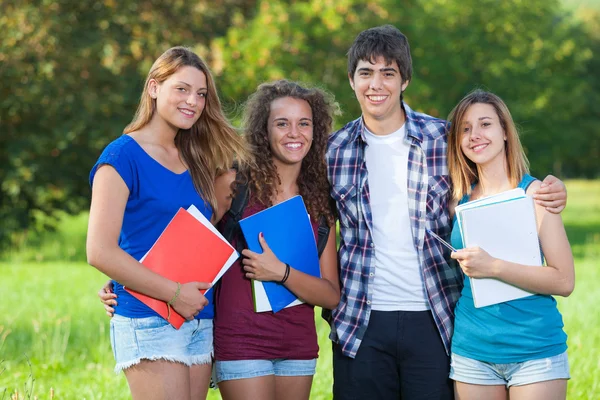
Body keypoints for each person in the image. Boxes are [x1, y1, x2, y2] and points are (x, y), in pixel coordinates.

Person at [326, 25, 568, 400]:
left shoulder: (446, 138)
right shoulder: (333, 151)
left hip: (437, 316)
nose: (377, 84)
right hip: (361, 320)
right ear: (352, 79)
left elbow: (500, 181)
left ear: (404, 80)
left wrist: (548, 188)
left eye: (388, 73)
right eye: (366, 73)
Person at [99, 80, 341, 400]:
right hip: (241, 341)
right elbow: (183, 243)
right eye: (281, 123)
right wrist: (122, 280)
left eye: (304, 123)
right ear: (263, 131)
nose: (294, 133)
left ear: (317, 130)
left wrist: (280, 272)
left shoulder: (320, 202)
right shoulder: (234, 185)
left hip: (298, 346)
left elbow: (330, 294)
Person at [87, 46, 251, 400]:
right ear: (153, 88)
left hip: (197, 319)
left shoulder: (199, 159)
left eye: (201, 94)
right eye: (182, 89)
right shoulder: (120, 157)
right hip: (149, 317)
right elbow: (99, 250)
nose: (193, 100)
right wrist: (174, 294)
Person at [446, 90, 574, 400]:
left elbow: (564, 280)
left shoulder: (537, 194)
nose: (475, 135)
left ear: (505, 132)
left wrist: (493, 267)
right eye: (465, 128)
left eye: (485, 124)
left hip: (534, 350)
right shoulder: (457, 202)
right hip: (472, 352)